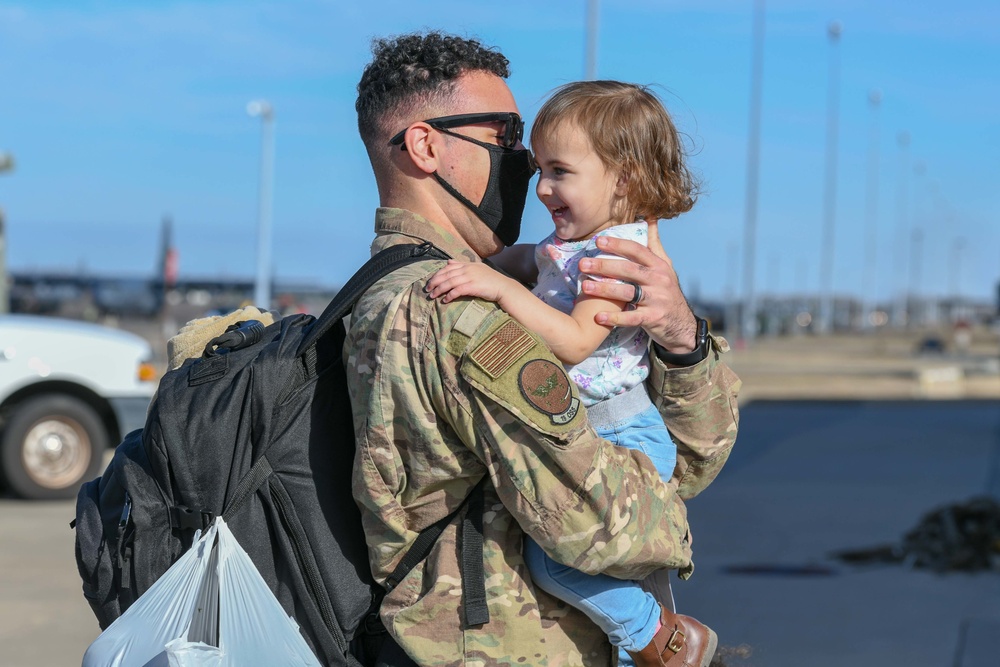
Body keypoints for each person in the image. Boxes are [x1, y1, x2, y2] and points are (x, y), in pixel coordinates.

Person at [348, 31, 740, 667]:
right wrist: (670, 518)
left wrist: (678, 338)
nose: (527, 170)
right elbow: (599, 519)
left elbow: (681, 459)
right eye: (504, 139)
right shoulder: (462, 312)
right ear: (425, 146)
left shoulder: (418, 284)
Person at [425, 79, 714, 667]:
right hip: (592, 431)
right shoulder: (577, 243)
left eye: (560, 171)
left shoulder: (618, 258)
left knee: (557, 562)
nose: (542, 187)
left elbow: (579, 342)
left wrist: (499, 289)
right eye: (538, 170)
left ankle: (659, 639)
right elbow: (528, 258)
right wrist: (472, 262)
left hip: (621, 434)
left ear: (624, 178)